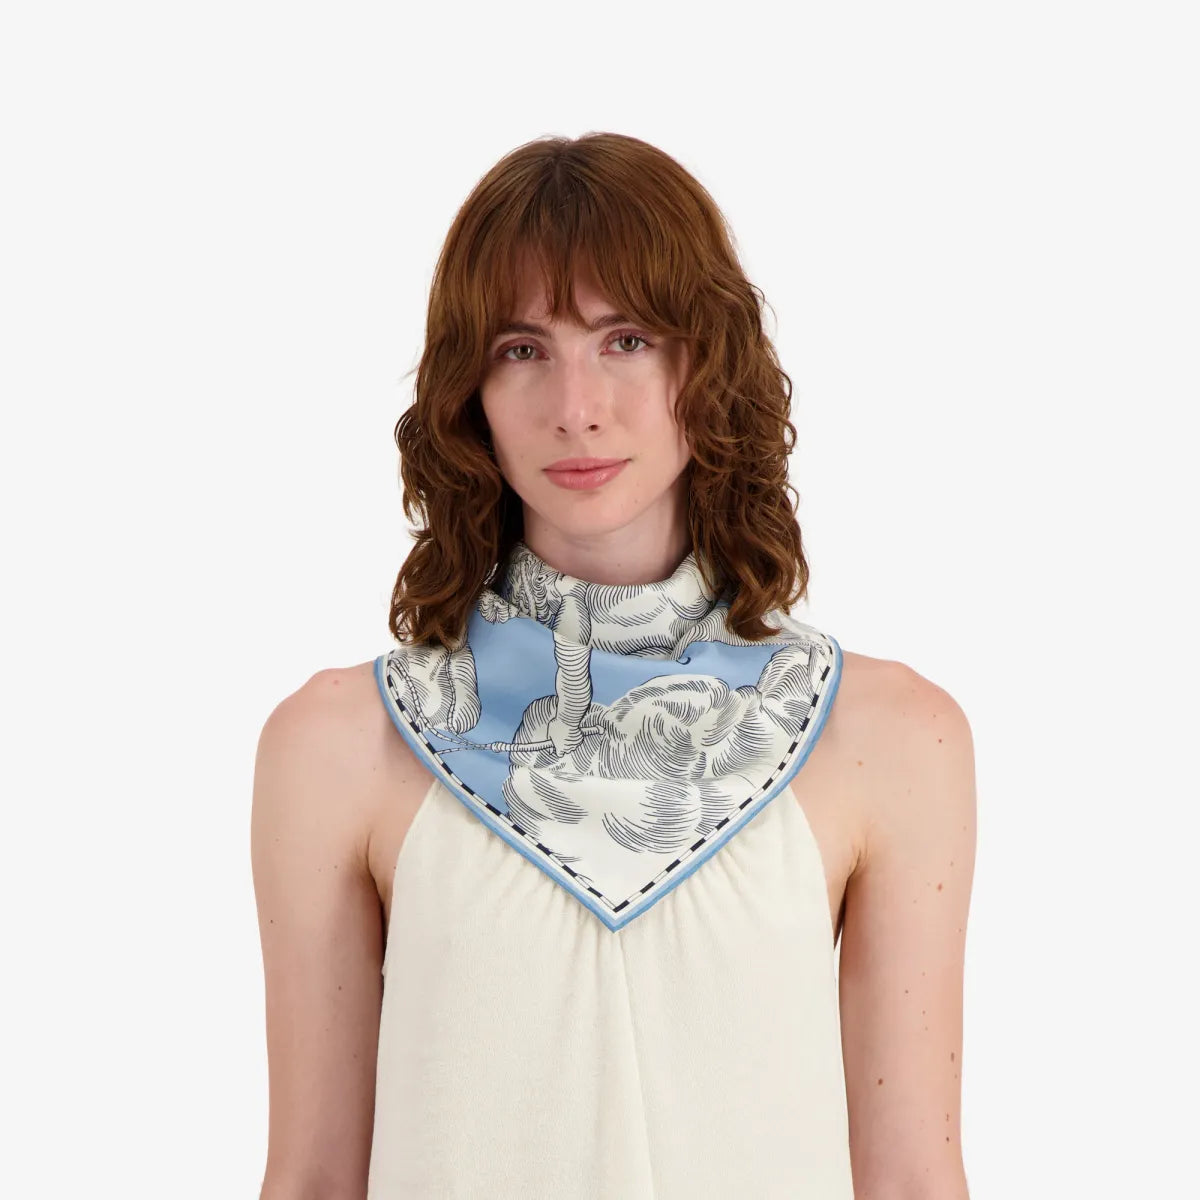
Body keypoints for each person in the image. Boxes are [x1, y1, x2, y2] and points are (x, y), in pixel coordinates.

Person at [252, 132, 976, 1200]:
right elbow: (316, 1179)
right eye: (521, 349)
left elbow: (912, 1178)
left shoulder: (892, 740)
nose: (576, 407)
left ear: (706, 360)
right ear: (468, 391)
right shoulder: (336, 748)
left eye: (625, 339)